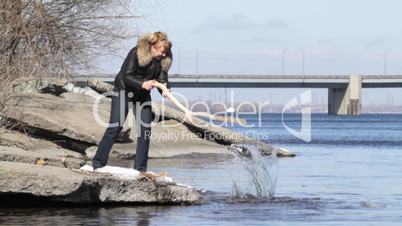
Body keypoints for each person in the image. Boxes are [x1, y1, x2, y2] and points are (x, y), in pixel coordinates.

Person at [92, 31, 172, 172]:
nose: (164, 55)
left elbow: (161, 81)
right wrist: (142, 83)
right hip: (124, 90)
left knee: (145, 131)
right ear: (153, 46)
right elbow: (126, 75)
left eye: (166, 52)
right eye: (162, 51)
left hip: (142, 96)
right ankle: (98, 164)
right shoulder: (136, 52)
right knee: (115, 127)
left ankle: (140, 170)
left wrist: (165, 90)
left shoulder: (162, 61)